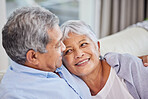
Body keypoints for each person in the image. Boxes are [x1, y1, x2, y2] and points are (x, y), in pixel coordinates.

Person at [0, 7, 91, 99]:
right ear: (33, 57)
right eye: (57, 45)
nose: (64, 48)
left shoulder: (53, 62)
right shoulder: (17, 95)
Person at [60, 20, 148, 99]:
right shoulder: (70, 90)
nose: (79, 54)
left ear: (97, 47)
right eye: (69, 51)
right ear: (63, 61)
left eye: (83, 44)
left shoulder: (129, 66)